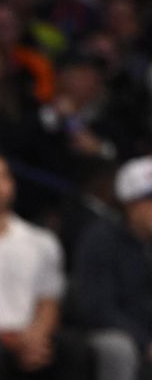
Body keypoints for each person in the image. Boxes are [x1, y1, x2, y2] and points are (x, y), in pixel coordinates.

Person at [0, 151, 91, 380]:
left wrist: (34, 339)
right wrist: (11, 342)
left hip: (34, 337)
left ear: (11, 183)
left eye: (0, 178)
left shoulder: (42, 240)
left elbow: (49, 299)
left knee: (72, 345)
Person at [70, 156, 152, 380]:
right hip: (112, 333)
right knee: (119, 348)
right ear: (130, 204)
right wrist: (145, 341)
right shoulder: (100, 239)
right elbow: (98, 308)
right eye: (149, 199)